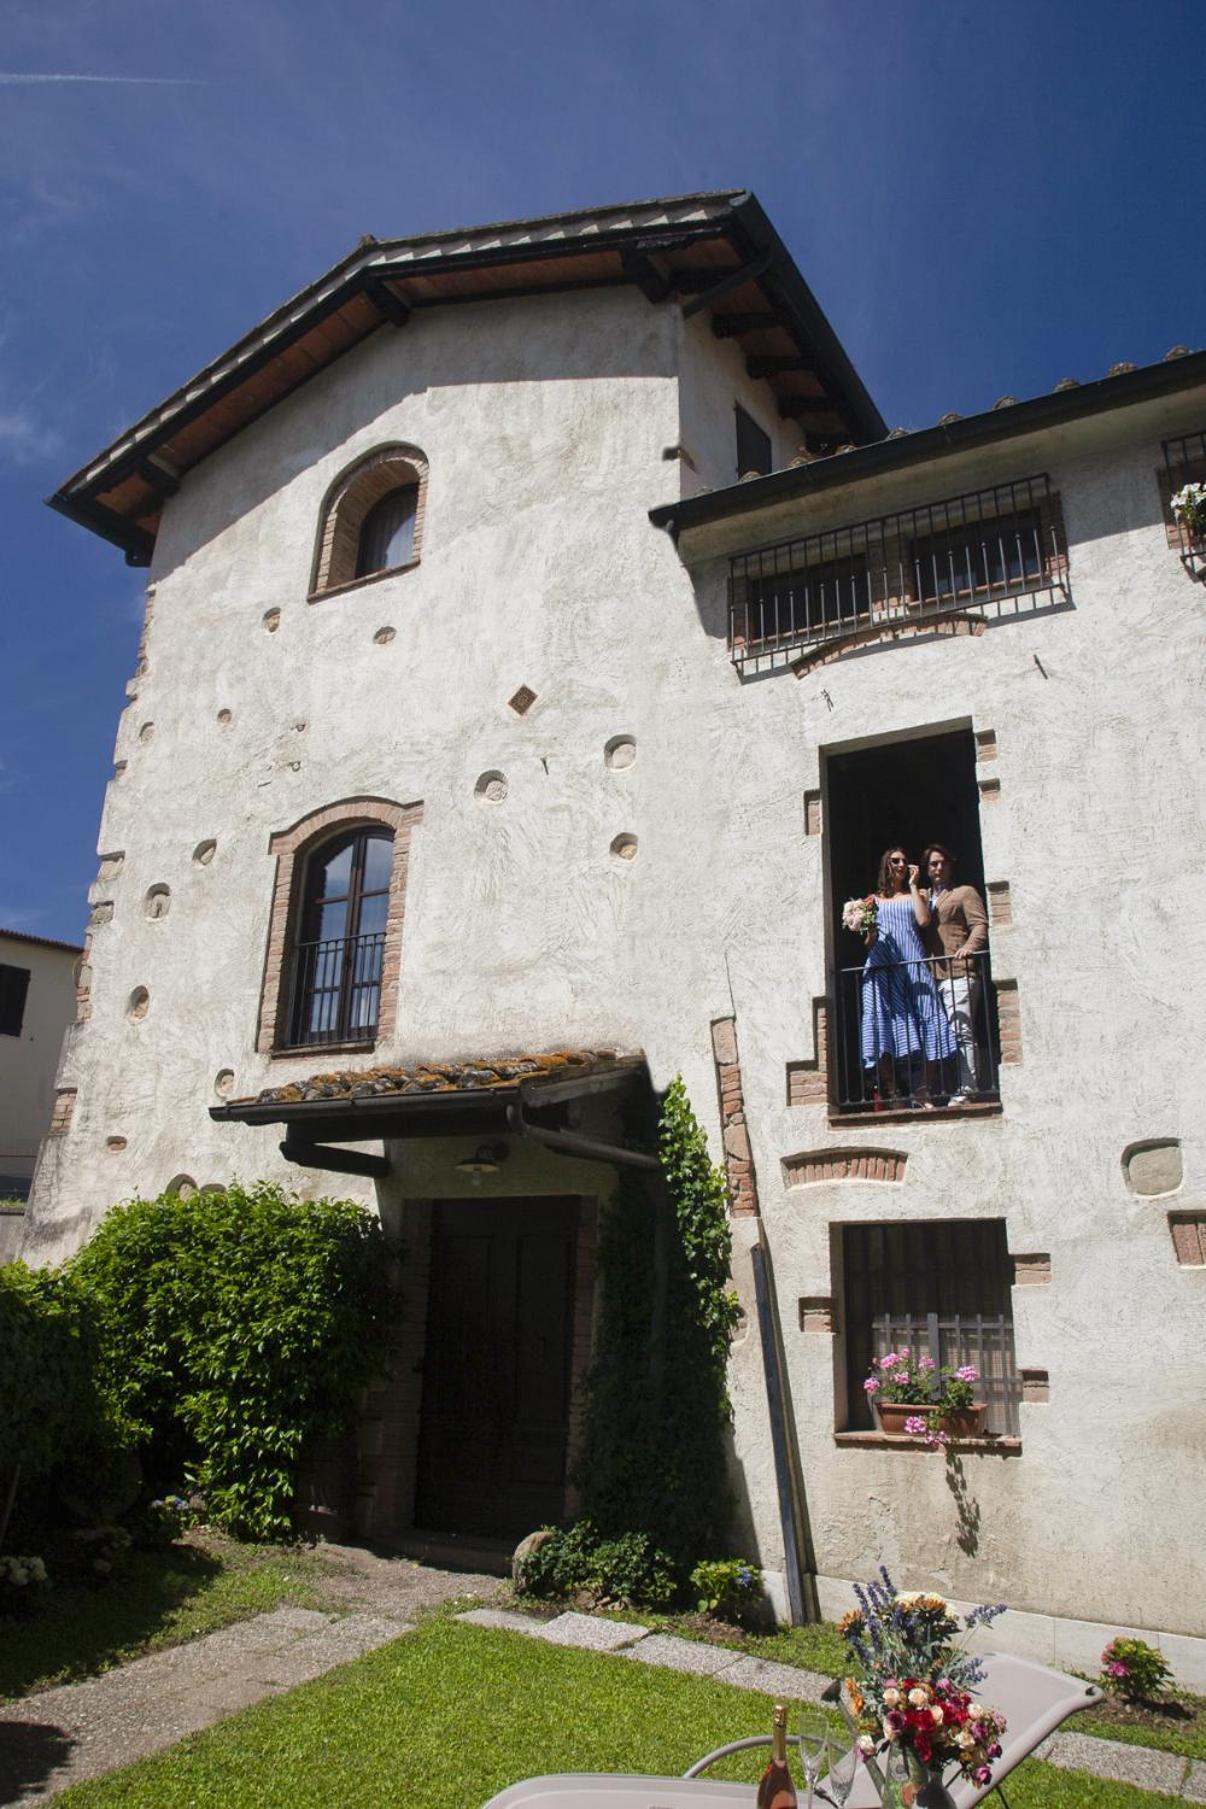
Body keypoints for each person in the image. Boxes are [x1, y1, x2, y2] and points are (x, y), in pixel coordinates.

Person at [858, 846, 955, 1107]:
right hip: (881, 966)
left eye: (904, 860)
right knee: (880, 1027)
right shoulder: (872, 901)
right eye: (895, 861)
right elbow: (868, 942)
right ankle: (893, 1095)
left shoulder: (919, 893)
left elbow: (923, 921)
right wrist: (867, 929)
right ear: (886, 866)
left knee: (933, 1021)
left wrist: (913, 886)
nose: (901, 864)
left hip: (913, 964)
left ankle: (922, 1090)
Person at [923, 843, 989, 1104]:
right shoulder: (923, 896)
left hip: (960, 972)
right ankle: (937, 1088)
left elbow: (979, 924)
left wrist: (969, 947)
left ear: (950, 865)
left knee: (961, 1030)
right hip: (931, 976)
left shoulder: (964, 893)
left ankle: (967, 1088)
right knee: (937, 1035)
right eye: (933, 864)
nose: (938, 868)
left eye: (942, 863)